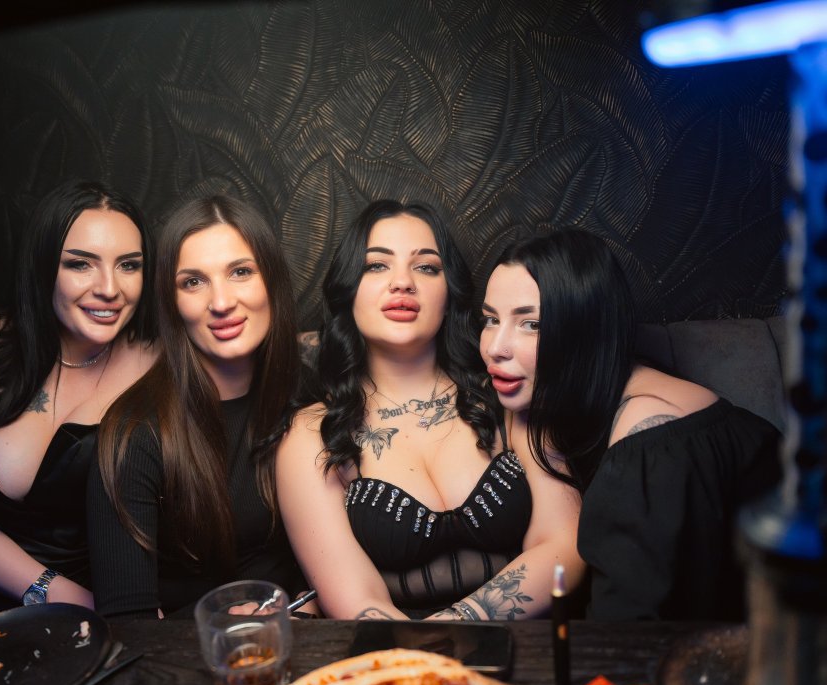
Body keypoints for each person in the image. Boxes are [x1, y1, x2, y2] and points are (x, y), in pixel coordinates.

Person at [276, 199, 584, 621]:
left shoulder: (508, 394)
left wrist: (460, 627)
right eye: (377, 266)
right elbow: (357, 602)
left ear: (449, 291)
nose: (402, 283)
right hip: (390, 651)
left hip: (527, 640)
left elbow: (564, 547)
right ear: (349, 289)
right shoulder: (313, 433)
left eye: (426, 267)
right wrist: (425, 653)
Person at [479, 228, 781, 621]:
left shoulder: (648, 434)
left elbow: (625, 635)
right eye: (490, 319)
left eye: (531, 324)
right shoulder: (565, 401)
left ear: (586, 330)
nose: (494, 347)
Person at [0, 179, 158, 614]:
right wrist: (64, 598)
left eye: (128, 265)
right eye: (80, 264)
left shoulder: (159, 363)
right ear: (43, 266)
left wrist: (118, 614)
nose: (109, 288)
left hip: (86, 626)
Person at [88, 195, 305, 620]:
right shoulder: (135, 433)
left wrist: (306, 608)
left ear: (272, 281)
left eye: (240, 272)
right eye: (193, 282)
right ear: (172, 303)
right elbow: (126, 625)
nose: (221, 302)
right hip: (188, 651)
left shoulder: (309, 395)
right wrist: (218, 623)